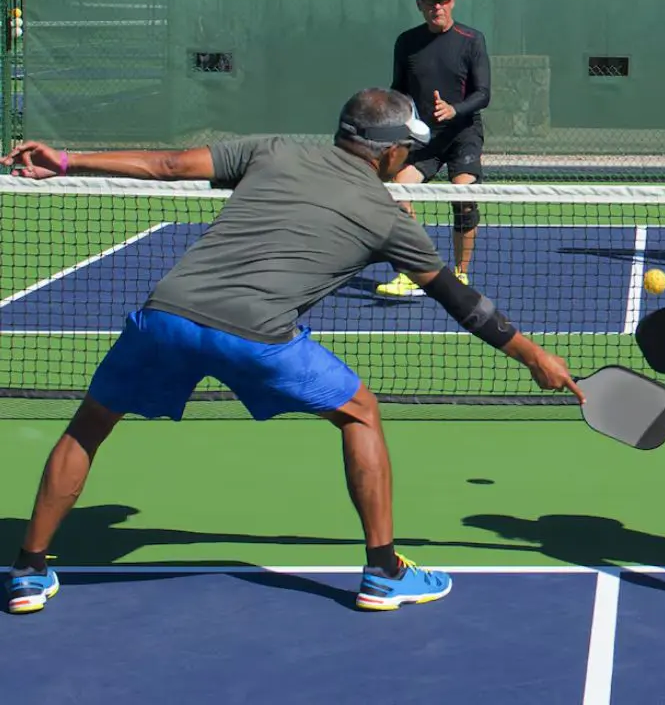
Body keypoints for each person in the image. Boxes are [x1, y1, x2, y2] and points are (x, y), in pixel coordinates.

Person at [2, 88, 584, 616]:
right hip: (257, 334)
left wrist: (65, 162)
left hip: (168, 315)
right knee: (360, 411)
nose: (408, 158)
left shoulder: (274, 150)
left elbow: (168, 166)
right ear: (384, 153)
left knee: (90, 424)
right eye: (406, 148)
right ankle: (383, 571)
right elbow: (462, 302)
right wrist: (534, 357)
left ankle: (28, 572)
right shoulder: (389, 218)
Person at [377, 0, 491, 298]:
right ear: (419, 5)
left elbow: (483, 94)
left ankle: (460, 274)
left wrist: (455, 110)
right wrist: (395, 121)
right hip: (423, 140)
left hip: (463, 136)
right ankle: (415, 272)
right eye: (430, 1)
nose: (437, 7)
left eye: (442, 0)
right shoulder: (407, 42)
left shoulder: (472, 41)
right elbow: (398, 91)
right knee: (398, 195)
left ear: (452, 2)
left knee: (464, 198)